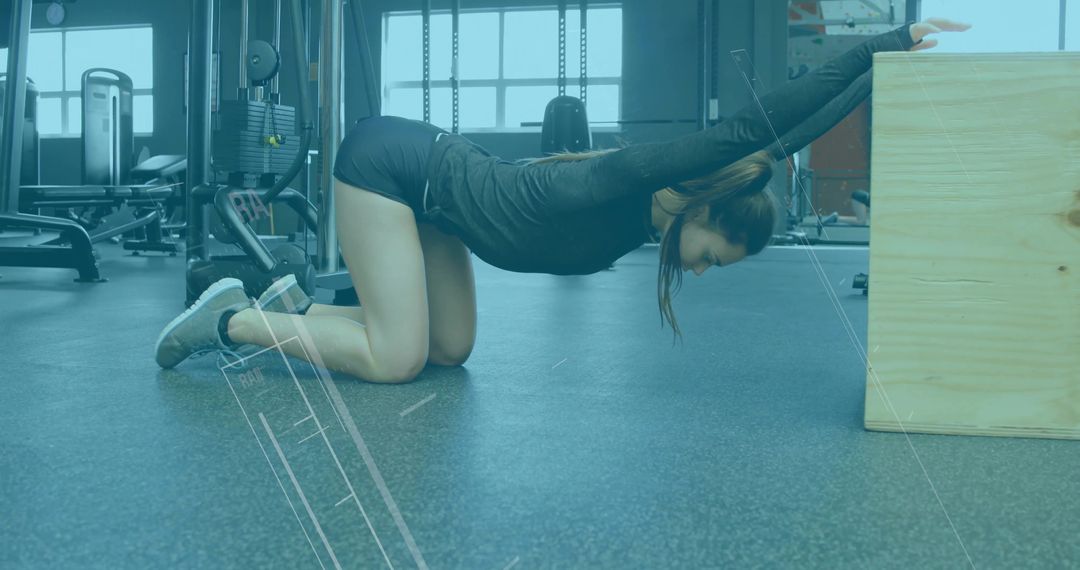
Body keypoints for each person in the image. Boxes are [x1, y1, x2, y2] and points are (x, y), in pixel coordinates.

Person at [155, 18, 969, 383]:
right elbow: (755, 126)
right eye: (713, 257)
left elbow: (780, 143)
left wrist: (885, 77)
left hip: (438, 203)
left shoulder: (648, 215)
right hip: (391, 171)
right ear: (701, 211)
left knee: (448, 350)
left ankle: (292, 307)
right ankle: (229, 322)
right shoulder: (626, 178)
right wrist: (883, 41)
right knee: (396, 360)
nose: (704, 271)